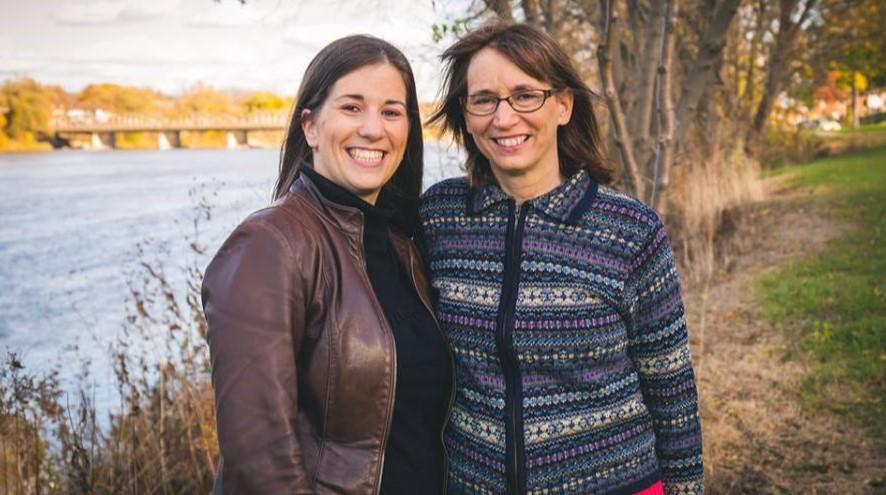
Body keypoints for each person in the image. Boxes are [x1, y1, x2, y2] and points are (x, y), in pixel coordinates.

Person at [419, 23, 703, 495]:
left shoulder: (630, 230)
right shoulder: (439, 219)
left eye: (525, 95)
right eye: (484, 99)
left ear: (564, 106)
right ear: (466, 116)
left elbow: (671, 388)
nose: (503, 118)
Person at [202, 35, 453, 495]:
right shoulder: (270, 245)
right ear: (310, 127)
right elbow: (260, 461)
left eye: (391, 111)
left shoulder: (404, 247)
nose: (374, 129)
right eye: (352, 108)